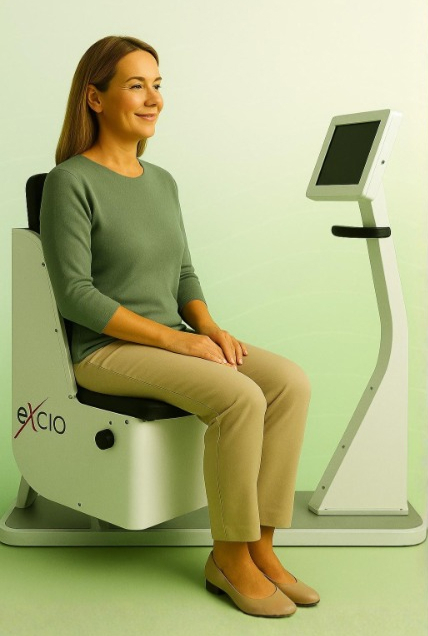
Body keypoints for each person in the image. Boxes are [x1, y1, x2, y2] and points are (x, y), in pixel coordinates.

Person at [40, 35, 319, 618]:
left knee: (289, 382)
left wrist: (210, 330)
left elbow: (183, 273)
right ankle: (228, 558)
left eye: (158, 85)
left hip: (171, 340)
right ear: (95, 97)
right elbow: (75, 295)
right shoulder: (70, 181)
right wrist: (177, 341)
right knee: (240, 397)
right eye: (136, 85)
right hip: (106, 350)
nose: (154, 99)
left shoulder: (161, 181)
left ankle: (262, 548)